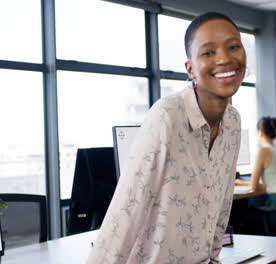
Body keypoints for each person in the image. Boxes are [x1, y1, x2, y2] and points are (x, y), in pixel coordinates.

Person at [87, 12, 246, 263]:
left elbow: (222, 206)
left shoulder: (233, 122)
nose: (224, 58)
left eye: (233, 47)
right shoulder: (168, 116)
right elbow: (126, 210)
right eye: (208, 52)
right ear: (190, 69)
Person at [235, 116, 276, 210]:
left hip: (274, 204)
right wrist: (242, 183)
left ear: (260, 132)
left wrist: (250, 183)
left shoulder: (264, 151)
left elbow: (254, 186)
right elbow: (273, 182)